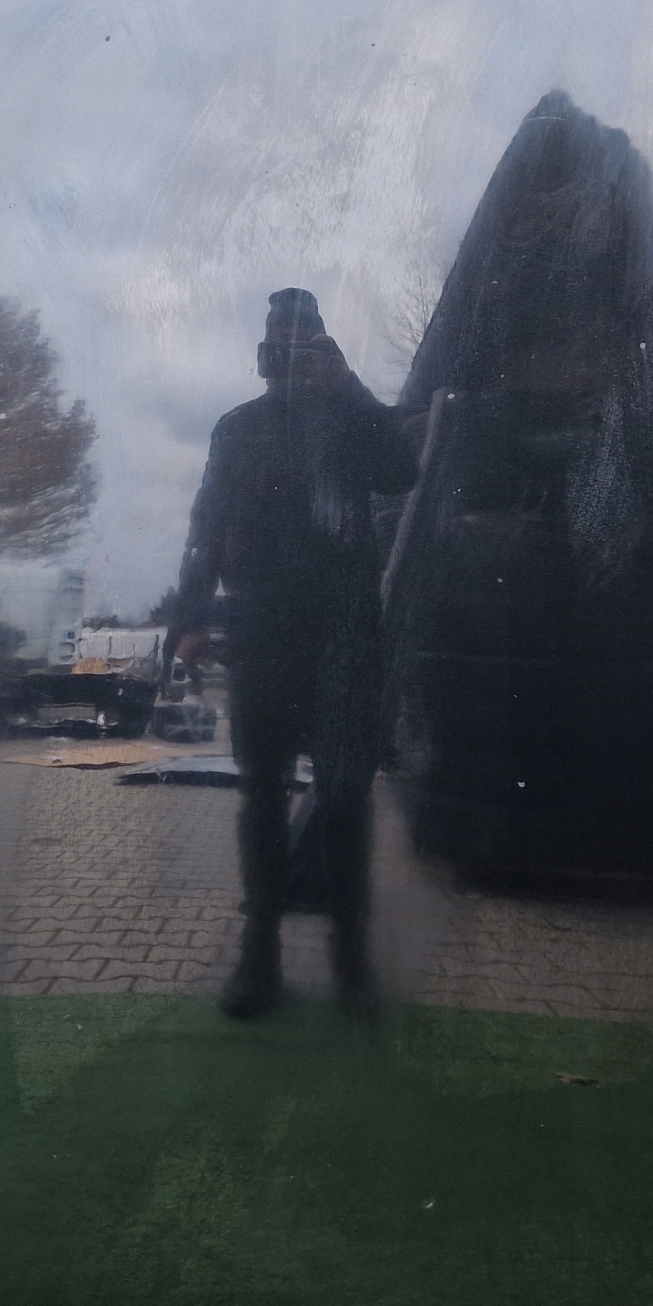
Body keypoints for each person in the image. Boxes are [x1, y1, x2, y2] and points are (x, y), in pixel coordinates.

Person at [171, 289, 418, 1019]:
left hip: (344, 630)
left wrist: (349, 387)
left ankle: (351, 960)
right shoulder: (238, 428)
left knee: (344, 793)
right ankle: (261, 956)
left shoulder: (348, 418)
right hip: (262, 627)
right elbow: (207, 520)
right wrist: (191, 617)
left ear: (325, 351)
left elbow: (402, 469)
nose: (289, 358)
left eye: (305, 345)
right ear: (262, 355)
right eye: (280, 345)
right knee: (262, 792)